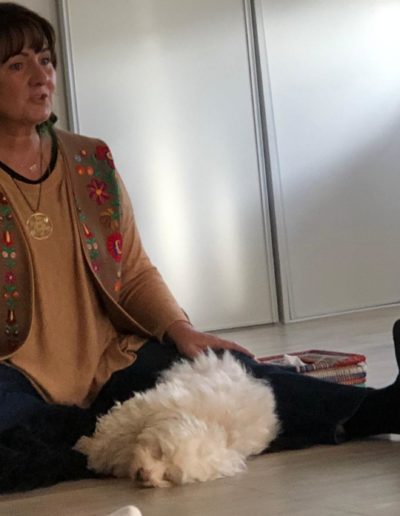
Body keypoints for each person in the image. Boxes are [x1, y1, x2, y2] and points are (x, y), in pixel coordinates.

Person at [0, 2, 399, 492]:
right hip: (13, 372)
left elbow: (133, 271)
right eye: (16, 65)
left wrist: (181, 331)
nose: (40, 76)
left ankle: (377, 410)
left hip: (109, 361)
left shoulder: (89, 160)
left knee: (227, 377)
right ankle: (114, 434)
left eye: (45, 60)